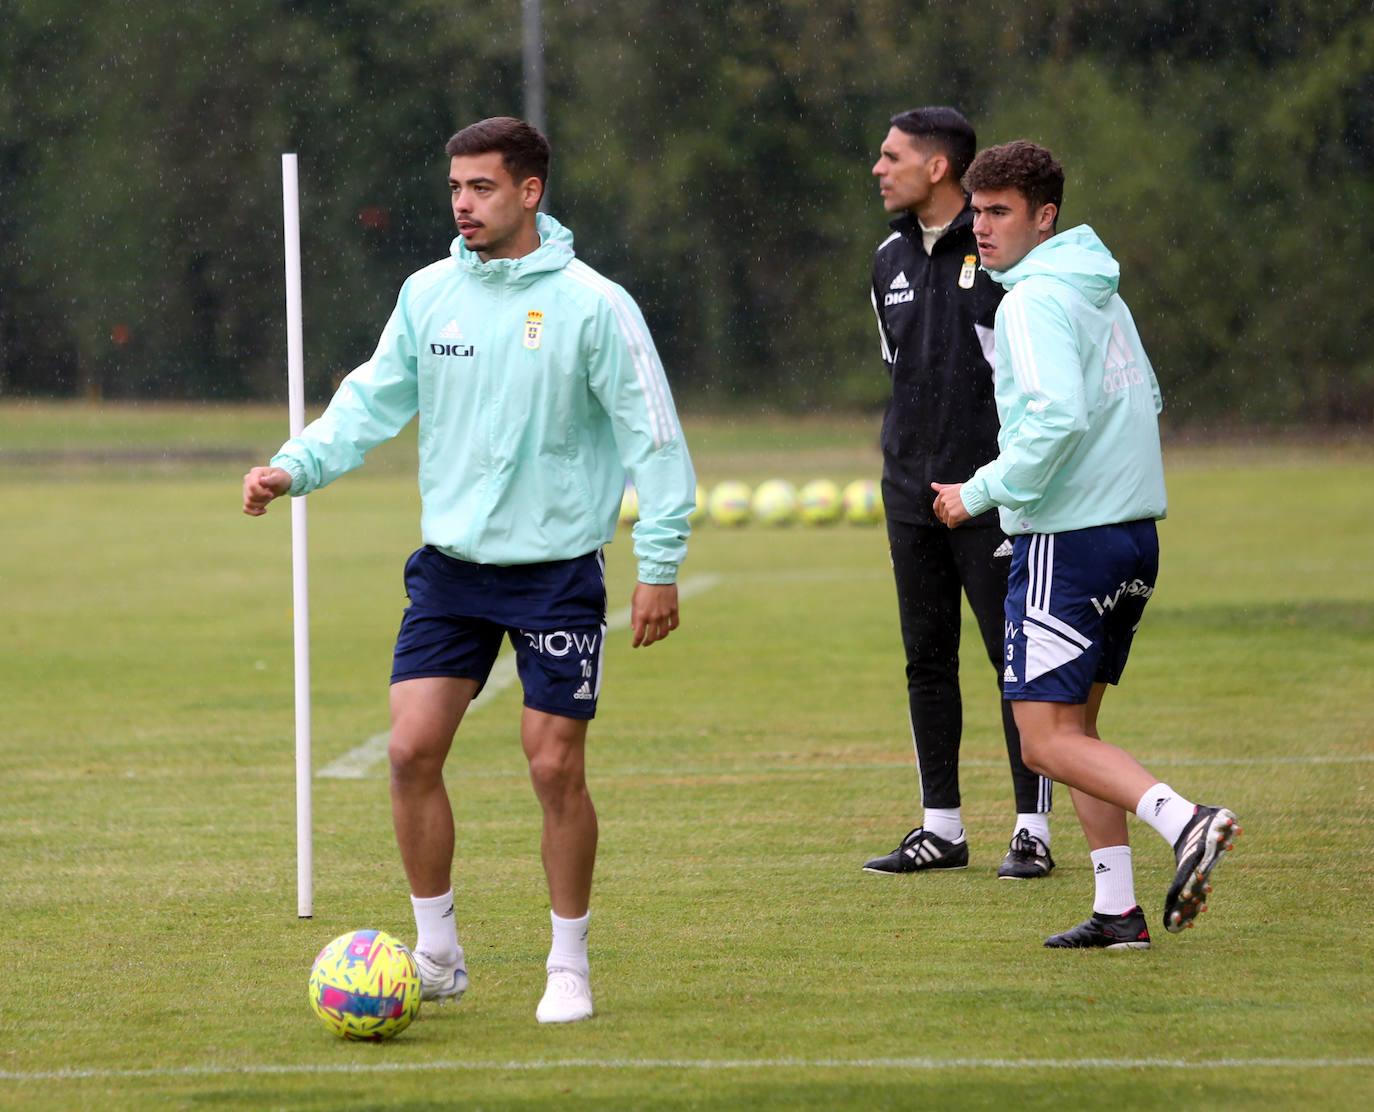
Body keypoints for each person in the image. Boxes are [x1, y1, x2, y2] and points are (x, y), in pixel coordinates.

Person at [243, 117, 696, 1017]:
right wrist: (295, 465)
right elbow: (369, 400)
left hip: (556, 572)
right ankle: (439, 951)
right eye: (455, 187)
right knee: (410, 751)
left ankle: (568, 962)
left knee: (552, 766)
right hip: (450, 570)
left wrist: (660, 561)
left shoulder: (594, 303)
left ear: (530, 192)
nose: (463, 204)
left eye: (482, 187)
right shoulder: (427, 293)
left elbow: (656, 435)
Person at [931, 140, 1240, 948]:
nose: (982, 227)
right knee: (1076, 735)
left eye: (1000, 211)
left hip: (1069, 544)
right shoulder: (1101, 292)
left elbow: (1058, 420)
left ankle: (1186, 820)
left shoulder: (1030, 301)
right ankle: (1116, 910)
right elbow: (1149, 398)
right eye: (977, 210)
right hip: (1132, 539)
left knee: (1041, 739)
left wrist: (980, 492)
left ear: (1045, 217)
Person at [863, 107, 1055, 881]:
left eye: (891, 156)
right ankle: (941, 827)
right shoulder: (885, 260)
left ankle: (1032, 829)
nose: (878, 169)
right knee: (925, 659)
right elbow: (898, 367)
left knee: (1018, 664)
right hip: (909, 492)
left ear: (937, 166)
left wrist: (987, 481)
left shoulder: (1003, 259)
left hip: (992, 494)